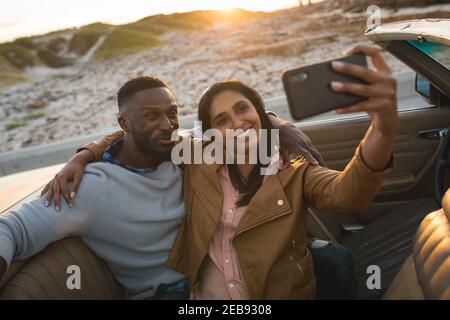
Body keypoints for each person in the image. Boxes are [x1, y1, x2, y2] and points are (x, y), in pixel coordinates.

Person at [47, 45, 398, 299]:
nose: (237, 123)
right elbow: (141, 134)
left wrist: (383, 126)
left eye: (243, 109)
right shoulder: (195, 159)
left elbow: (349, 191)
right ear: (211, 132)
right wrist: (84, 155)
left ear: (260, 114)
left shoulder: (292, 168)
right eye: (221, 119)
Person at [0, 76, 319, 299]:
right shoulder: (92, 188)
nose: (166, 125)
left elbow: (234, 124)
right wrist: (84, 158)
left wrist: (279, 126)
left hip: (225, 270)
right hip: (170, 292)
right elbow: (13, 229)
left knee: (333, 263)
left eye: (172, 114)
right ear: (124, 124)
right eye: (152, 116)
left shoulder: (182, 154)